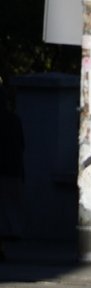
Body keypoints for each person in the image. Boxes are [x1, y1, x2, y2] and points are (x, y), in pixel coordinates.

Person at [0, 79, 25, 262]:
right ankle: (7, 239)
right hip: (12, 169)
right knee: (9, 207)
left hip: (6, 168)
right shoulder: (14, 120)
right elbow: (21, 145)